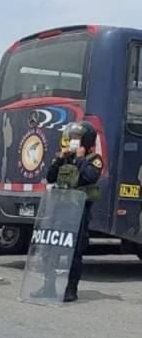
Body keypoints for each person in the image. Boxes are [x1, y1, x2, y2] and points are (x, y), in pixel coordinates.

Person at [44, 121, 102, 302]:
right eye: (73, 137)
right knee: (51, 251)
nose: (74, 140)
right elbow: (50, 177)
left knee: (74, 253)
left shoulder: (94, 159)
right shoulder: (66, 157)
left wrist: (80, 159)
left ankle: (71, 289)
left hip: (78, 213)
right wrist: (61, 159)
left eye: (78, 137)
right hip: (60, 211)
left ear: (86, 140)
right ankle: (48, 287)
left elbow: (89, 177)